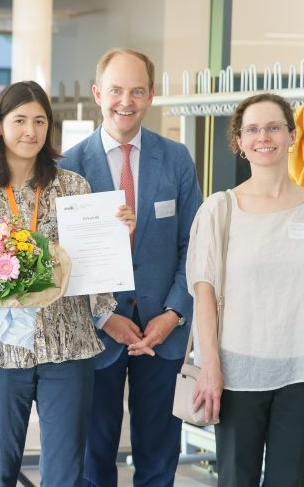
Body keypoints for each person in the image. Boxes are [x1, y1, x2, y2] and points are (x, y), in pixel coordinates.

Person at [0, 80, 134, 486]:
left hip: (67, 346)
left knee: (65, 473)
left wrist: (116, 236)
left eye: (40, 121)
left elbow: (92, 267)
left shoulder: (73, 186)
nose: (30, 131)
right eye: (19, 120)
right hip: (0, 350)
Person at [59, 48, 202, 487]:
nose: (126, 101)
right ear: (97, 93)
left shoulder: (176, 158)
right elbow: (60, 260)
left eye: (137, 91)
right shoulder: (67, 166)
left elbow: (194, 246)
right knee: (93, 460)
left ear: (151, 96)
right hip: (95, 333)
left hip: (163, 331)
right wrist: (104, 316)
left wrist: (174, 314)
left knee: (159, 459)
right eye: (116, 90)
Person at [188, 93, 304, 486]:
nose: (264, 137)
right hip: (237, 373)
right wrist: (210, 366)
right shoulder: (220, 209)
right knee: (235, 480)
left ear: (292, 135)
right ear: (239, 141)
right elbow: (204, 295)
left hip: (303, 374)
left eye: (274, 127)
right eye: (253, 129)